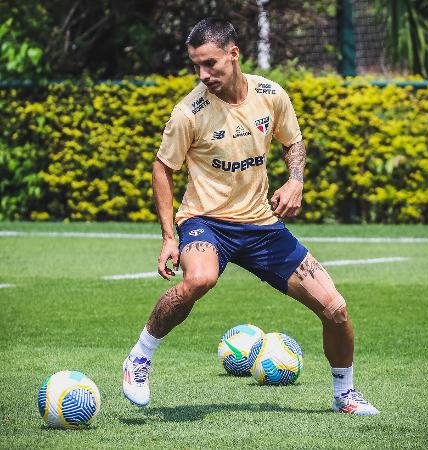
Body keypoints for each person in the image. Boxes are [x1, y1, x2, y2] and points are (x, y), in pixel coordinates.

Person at [122, 17, 379, 416]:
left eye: (210, 64)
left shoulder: (270, 94)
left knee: (335, 308)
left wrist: (295, 180)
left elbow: (293, 142)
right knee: (200, 278)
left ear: (234, 54)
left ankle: (344, 394)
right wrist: (170, 237)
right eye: (196, 66)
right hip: (205, 221)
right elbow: (161, 168)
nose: (203, 75)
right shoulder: (188, 112)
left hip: (260, 225)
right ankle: (139, 357)